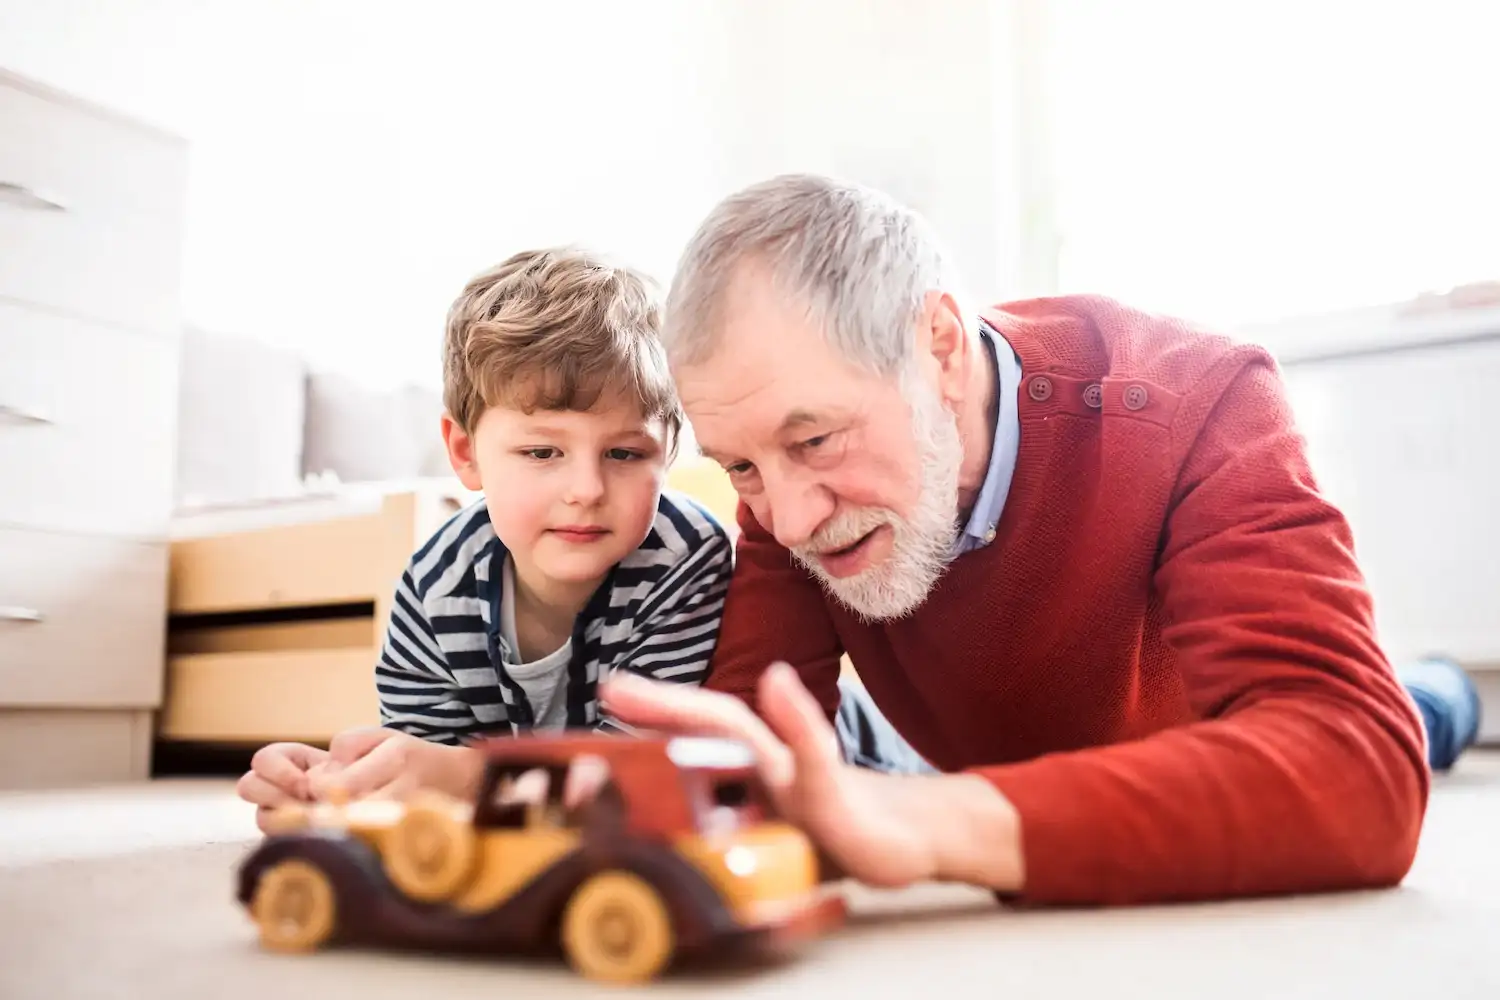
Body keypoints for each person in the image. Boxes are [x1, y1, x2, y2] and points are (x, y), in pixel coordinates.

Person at [598, 172, 1481, 906]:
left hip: (1211, 749)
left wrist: (931, 821)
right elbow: (747, 766)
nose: (787, 521)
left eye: (818, 440)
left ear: (940, 349)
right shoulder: (786, 480)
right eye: (740, 467)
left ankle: (1442, 690)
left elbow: (1357, 769)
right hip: (1018, 768)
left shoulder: (1196, 398)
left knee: (1417, 714)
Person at [236, 248, 733, 830]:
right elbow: (429, 784)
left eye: (624, 453)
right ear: (465, 453)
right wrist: (336, 787)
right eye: (542, 452)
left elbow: (644, 783)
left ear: (669, 453)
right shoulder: (434, 587)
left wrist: (467, 778)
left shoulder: (688, 561)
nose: (586, 489)